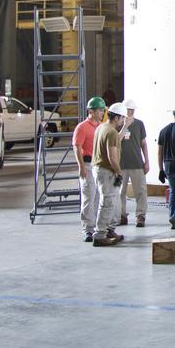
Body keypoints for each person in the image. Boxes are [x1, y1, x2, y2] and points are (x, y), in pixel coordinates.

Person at [91, 102, 129, 247]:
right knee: (107, 203)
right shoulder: (111, 132)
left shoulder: (101, 127)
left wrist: (125, 127)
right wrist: (118, 173)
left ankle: (108, 231)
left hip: (99, 169)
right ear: (117, 117)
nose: (122, 121)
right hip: (107, 171)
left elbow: (115, 142)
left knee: (111, 202)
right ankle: (100, 235)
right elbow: (112, 157)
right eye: (122, 118)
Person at [72, 97, 106, 243]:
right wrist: (81, 166)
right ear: (91, 111)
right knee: (88, 196)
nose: (102, 113)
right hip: (87, 165)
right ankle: (88, 229)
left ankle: (98, 226)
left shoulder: (102, 126)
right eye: (100, 110)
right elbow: (77, 146)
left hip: (99, 165)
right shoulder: (82, 127)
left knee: (98, 196)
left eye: (103, 110)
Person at [117, 98, 149, 228]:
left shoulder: (139, 124)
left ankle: (140, 216)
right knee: (120, 192)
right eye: (128, 110)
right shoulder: (118, 125)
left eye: (132, 110)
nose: (130, 112)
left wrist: (146, 161)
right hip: (121, 164)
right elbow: (115, 141)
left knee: (140, 191)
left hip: (136, 162)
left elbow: (143, 144)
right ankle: (121, 215)